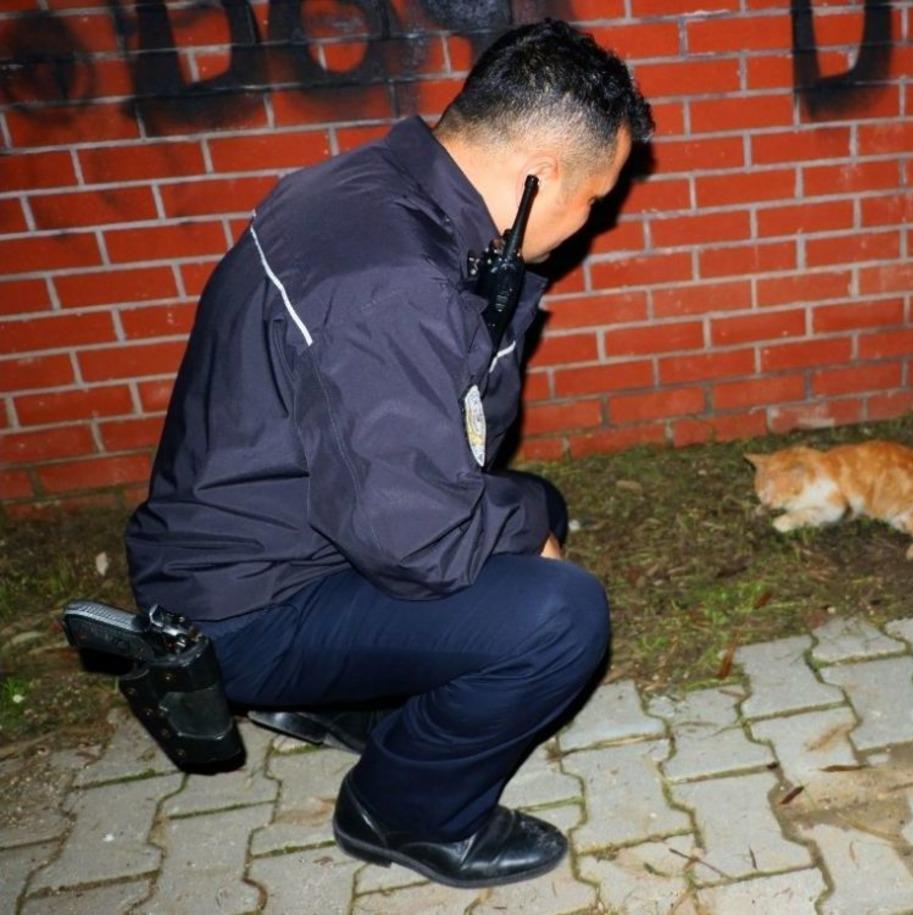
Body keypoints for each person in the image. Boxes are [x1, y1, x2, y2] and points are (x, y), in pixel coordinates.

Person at [124, 19, 652, 888]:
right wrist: (528, 540)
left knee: (534, 510)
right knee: (559, 615)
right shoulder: (389, 283)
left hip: (280, 531)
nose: (597, 216)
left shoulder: (374, 193)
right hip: (247, 603)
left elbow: (455, 431)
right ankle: (400, 812)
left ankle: (353, 701)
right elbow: (418, 538)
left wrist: (509, 276)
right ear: (541, 172)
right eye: (597, 196)